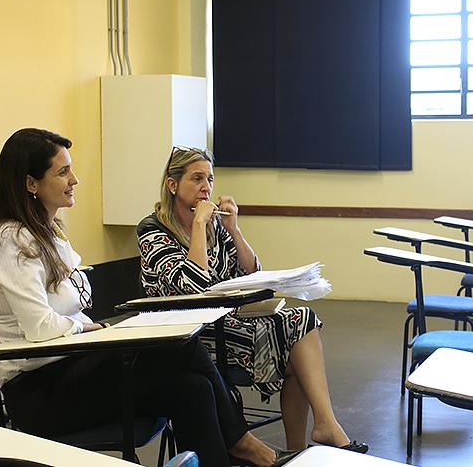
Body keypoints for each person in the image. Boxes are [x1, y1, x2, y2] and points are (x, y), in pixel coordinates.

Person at [0, 128, 296, 467]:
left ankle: (237, 450)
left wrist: (88, 327)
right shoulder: (9, 240)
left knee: (194, 389)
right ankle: (244, 444)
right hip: (40, 392)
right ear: (30, 183)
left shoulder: (48, 233)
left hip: (71, 367)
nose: (75, 179)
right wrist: (89, 328)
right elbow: (40, 327)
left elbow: (68, 308)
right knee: (181, 345)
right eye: (63, 172)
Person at [137, 145, 367, 453]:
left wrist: (234, 230)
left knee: (302, 321)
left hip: (227, 320)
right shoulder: (153, 231)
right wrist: (199, 226)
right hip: (191, 337)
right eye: (197, 179)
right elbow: (194, 287)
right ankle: (304, 446)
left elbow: (251, 271)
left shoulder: (216, 225)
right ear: (172, 184)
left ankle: (319, 429)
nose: (206, 187)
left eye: (210, 179)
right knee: (294, 355)